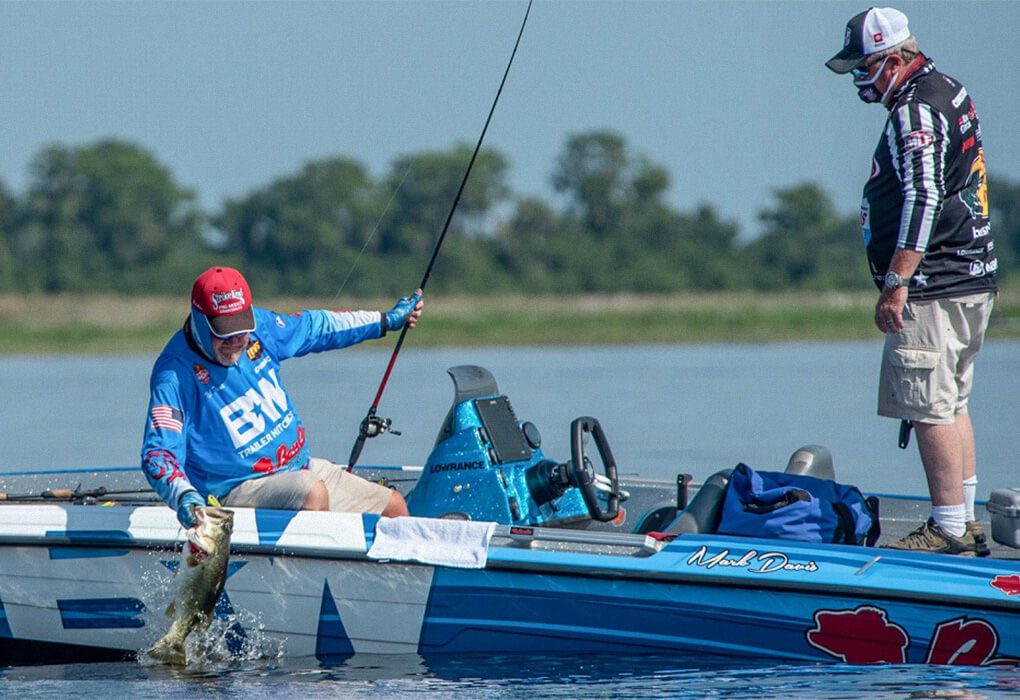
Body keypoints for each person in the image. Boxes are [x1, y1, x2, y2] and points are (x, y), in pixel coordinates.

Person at [826, 8, 997, 555]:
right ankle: (964, 521)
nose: (858, 81)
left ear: (895, 59)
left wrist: (897, 279)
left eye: (864, 69)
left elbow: (923, 197)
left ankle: (947, 526)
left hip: (934, 284)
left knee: (929, 407)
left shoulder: (914, 112)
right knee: (951, 402)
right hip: (969, 279)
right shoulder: (948, 88)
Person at [141, 265, 423, 528]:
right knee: (312, 493)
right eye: (225, 333)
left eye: (242, 329)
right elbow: (159, 453)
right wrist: (183, 496)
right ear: (200, 321)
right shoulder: (174, 376)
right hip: (233, 490)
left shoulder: (260, 328)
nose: (237, 342)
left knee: (394, 508)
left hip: (299, 469)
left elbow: (317, 327)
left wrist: (385, 321)